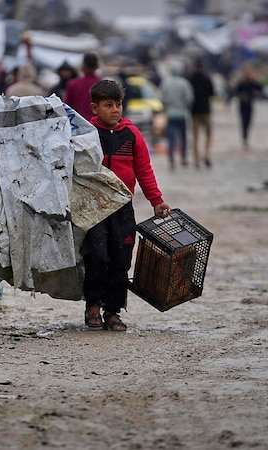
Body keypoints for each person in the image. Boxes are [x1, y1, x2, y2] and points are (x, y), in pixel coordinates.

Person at [84, 79, 171, 332]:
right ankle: (92, 306)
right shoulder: (87, 135)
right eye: (108, 105)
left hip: (123, 208)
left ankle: (113, 311)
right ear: (94, 108)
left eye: (118, 104)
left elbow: (144, 170)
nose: (115, 109)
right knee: (96, 255)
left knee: (121, 259)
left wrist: (156, 200)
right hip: (95, 208)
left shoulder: (132, 135)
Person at [160, 61, 194, 169]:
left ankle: (171, 160)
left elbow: (161, 98)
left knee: (171, 138)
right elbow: (190, 98)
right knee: (183, 137)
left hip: (170, 114)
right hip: (182, 114)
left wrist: (167, 106)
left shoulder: (166, 83)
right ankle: (183, 158)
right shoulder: (185, 83)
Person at [187, 60, 215, 166]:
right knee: (208, 134)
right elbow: (212, 93)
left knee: (195, 137)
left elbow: (188, 95)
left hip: (194, 112)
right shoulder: (207, 78)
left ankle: (197, 160)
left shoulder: (190, 79)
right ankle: (206, 154)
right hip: (206, 110)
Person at [231, 68, 264, 149]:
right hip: (242, 105)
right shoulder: (241, 83)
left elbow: (260, 88)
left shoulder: (252, 83)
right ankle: (244, 137)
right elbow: (234, 91)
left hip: (249, 104)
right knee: (243, 122)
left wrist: (255, 80)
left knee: (248, 122)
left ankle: (246, 137)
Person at [63, 52, 102, 121]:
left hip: (78, 123)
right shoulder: (102, 84)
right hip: (97, 123)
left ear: (83, 66)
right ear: (97, 66)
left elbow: (66, 107)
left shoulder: (73, 84)